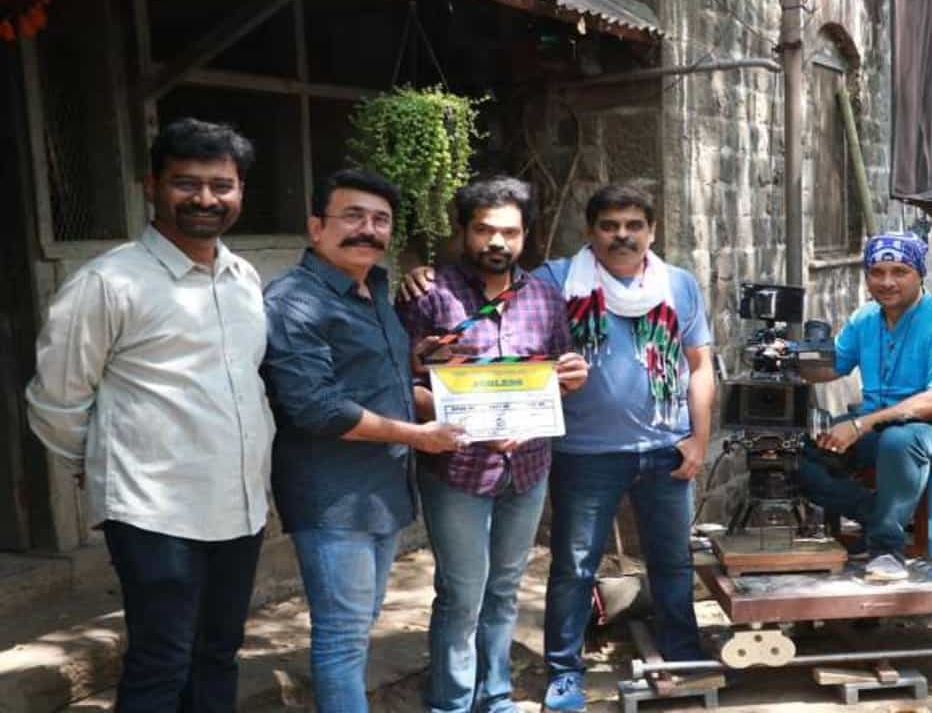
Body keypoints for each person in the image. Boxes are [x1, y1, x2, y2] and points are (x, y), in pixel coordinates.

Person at [398, 183, 715, 713]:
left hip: (661, 448)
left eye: (634, 225)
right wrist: (417, 272)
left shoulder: (675, 285)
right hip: (576, 454)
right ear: (589, 232)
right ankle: (562, 671)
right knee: (565, 567)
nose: (622, 235)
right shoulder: (555, 281)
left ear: (653, 231)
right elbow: (414, 364)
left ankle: (682, 658)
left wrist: (699, 438)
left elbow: (698, 366)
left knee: (672, 561)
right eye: (609, 225)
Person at [25, 118, 273, 711]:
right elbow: (56, 399)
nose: (205, 199)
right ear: (152, 185)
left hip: (239, 504)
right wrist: (101, 467)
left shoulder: (242, 278)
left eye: (222, 185)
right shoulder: (109, 283)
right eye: (186, 183)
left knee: (219, 652)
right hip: (154, 509)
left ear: (240, 191)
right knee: (162, 662)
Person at [261, 169, 464, 712]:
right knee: (342, 636)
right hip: (333, 495)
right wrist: (418, 436)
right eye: (352, 216)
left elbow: (380, 378)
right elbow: (318, 407)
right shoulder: (293, 301)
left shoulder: (372, 288)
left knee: (360, 622)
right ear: (316, 227)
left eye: (380, 220)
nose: (368, 230)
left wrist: (429, 373)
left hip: (382, 491)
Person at [395, 176, 588, 713]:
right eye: (484, 230)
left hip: (527, 466)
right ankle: (451, 703)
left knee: (505, 588)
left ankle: (496, 696)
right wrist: (454, 412)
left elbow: (555, 375)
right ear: (463, 231)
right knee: (462, 594)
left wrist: (570, 380)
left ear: (526, 235)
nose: (497, 242)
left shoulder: (544, 297)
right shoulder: (428, 294)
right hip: (456, 467)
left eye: (510, 232)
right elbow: (399, 384)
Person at [793, 231, 932, 582]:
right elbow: (830, 368)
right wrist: (790, 357)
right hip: (882, 424)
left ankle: (887, 550)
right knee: (791, 451)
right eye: (877, 272)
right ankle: (877, 517)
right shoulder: (865, 318)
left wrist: (859, 425)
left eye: (900, 271)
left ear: (919, 274)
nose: (887, 282)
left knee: (901, 441)